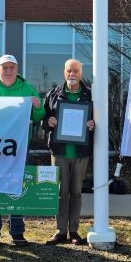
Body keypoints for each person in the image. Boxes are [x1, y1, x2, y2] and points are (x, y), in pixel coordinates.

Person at [0, 54, 45, 251]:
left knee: (16, 188)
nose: (8, 71)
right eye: (4, 67)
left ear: (17, 69)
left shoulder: (26, 89)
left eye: (12, 67)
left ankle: (17, 232)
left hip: (18, 148)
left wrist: (37, 106)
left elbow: (39, 115)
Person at [43, 59, 95, 245]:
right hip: (59, 152)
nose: (72, 74)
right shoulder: (53, 94)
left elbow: (100, 123)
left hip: (81, 153)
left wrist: (92, 125)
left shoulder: (91, 96)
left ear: (81, 73)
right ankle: (60, 230)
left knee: (76, 192)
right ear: (64, 73)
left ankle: (74, 231)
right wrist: (48, 122)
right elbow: (43, 119)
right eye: (69, 71)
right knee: (61, 192)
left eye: (75, 71)